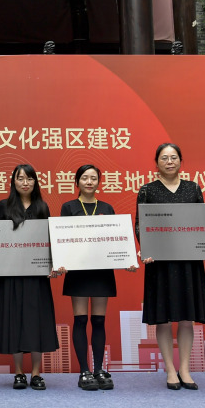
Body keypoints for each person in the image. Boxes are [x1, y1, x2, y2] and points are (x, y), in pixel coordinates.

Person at [137, 143, 205, 391]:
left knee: (187, 318)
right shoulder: (147, 190)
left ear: (181, 161)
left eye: (174, 157)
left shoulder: (193, 188)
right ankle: (170, 370)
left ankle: (184, 369)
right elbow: (140, 225)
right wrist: (146, 248)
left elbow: (204, 223)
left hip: (188, 262)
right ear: (157, 163)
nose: (169, 161)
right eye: (164, 158)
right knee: (162, 319)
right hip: (160, 263)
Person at [57, 164, 132, 390]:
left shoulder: (107, 208)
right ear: (77, 182)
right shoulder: (69, 207)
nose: (89, 182)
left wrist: (126, 258)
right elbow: (62, 239)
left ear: (99, 182)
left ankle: (99, 369)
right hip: (78, 272)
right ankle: (84, 371)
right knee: (80, 320)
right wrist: (61, 261)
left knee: (99, 321)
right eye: (84, 178)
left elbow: (116, 239)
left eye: (93, 178)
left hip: (101, 271)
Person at [0, 164, 58, 390]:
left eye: (29, 178)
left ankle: (36, 373)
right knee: (14, 320)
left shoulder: (42, 206)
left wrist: (52, 263)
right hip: (11, 273)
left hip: (36, 275)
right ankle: (19, 372)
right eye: (20, 178)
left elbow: (49, 239)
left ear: (35, 182)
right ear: (14, 182)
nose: (25, 183)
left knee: (36, 320)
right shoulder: (4, 206)